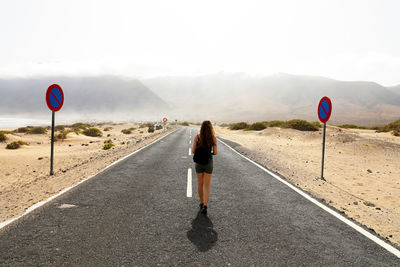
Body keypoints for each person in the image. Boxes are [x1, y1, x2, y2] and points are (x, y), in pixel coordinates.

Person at [192, 120, 218, 215]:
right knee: (207, 185)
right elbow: (215, 153)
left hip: (198, 163)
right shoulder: (213, 138)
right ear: (211, 128)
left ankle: (201, 203)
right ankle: (205, 206)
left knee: (200, 184)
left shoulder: (197, 137)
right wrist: (209, 153)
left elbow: (193, 151)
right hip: (209, 163)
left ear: (201, 128)